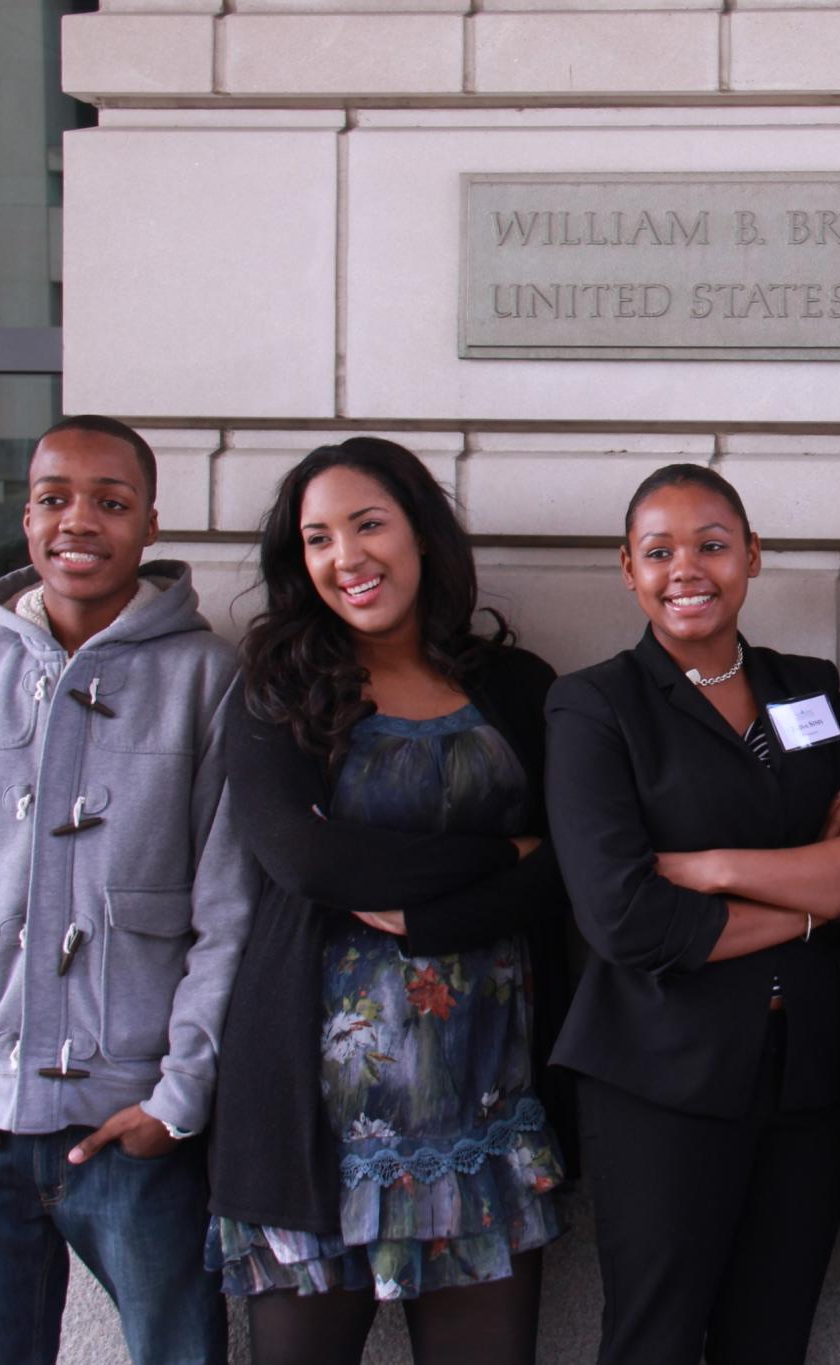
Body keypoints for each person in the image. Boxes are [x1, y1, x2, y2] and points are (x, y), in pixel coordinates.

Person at [0, 415, 251, 1364]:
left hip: (135, 1129)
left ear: (150, 520)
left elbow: (229, 912)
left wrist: (177, 1099)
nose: (78, 520)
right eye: (53, 498)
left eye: (110, 501)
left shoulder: (209, 681)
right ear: (28, 513)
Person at [205, 437, 565, 1365]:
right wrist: (499, 851)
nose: (346, 556)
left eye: (368, 524)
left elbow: (569, 868)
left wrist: (441, 910)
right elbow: (310, 859)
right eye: (318, 537)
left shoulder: (518, 688)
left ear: (422, 532)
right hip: (316, 1127)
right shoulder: (279, 687)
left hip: (485, 1107)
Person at [544, 463, 840, 1364]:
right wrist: (815, 896)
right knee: (654, 1340)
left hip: (807, 1080)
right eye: (659, 551)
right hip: (660, 1081)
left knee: (770, 1340)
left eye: (712, 544)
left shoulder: (810, 689)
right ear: (627, 569)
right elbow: (627, 917)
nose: (687, 569)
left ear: (752, 554)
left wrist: (713, 869)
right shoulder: (595, 705)